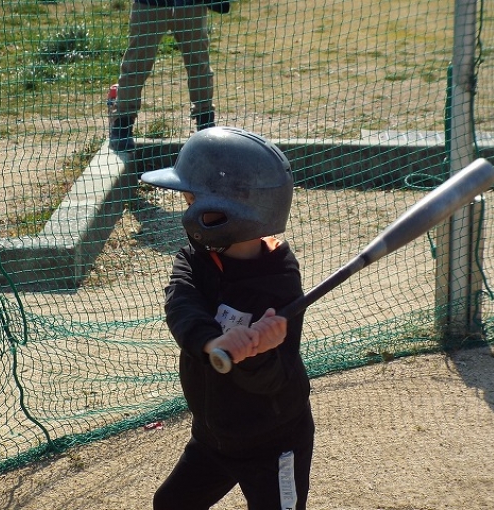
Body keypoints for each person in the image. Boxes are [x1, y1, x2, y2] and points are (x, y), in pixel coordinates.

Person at [140, 126, 314, 510]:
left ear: (227, 210)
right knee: (171, 504)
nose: (186, 208)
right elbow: (181, 303)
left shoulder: (279, 281)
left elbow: (276, 380)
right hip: (214, 436)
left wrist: (259, 354)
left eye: (191, 199)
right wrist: (213, 342)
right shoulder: (196, 258)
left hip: (274, 441)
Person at [109, 0, 224, 152]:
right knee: (135, 65)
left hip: (190, 4)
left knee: (199, 65)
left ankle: (205, 123)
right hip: (150, 4)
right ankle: (122, 125)